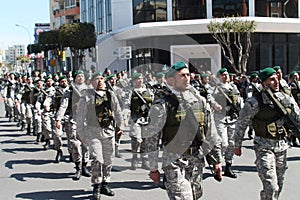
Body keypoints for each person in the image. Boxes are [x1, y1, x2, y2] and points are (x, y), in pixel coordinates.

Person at [147, 62, 222, 199]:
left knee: (195, 195)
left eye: (188, 75)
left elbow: (211, 132)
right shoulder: (162, 105)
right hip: (174, 159)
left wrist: (216, 160)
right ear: (171, 80)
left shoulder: (200, 101)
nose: (187, 78)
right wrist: (153, 168)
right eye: (182, 76)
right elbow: (152, 138)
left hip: (196, 159)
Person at [234, 67, 300, 200]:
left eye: (277, 78)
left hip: (282, 146)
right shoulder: (254, 103)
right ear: (264, 83)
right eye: (272, 79)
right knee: (271, 186)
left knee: (279, 186)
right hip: (263, 146)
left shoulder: (285, 98)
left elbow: (297, 116)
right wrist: (237, 145)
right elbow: (241, 123)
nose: (276, 82)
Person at [76, 72, 124, 200]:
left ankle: (105, 183)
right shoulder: (86, 97)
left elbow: (117, 111)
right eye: (97, 79)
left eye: (102, 79)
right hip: (93, 132)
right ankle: (96, 185)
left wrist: (120, 127)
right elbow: (79, 117)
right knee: (97, 159)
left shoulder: (110, 94)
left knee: (108, 160)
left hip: (108, 131)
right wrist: (80, 134)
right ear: (92, 82)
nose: (100, 81)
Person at [56, 70, 91, 180]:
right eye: (78, 76)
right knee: (75, 144)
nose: (80, 78)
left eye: (82, 76)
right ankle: (78, 167)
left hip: (87, 121)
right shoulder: (70, 91)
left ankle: (84, 166)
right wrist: (58, 119)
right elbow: (63, 105)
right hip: (74, 120)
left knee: (86, 145)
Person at [212, 67, 243, 178]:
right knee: (223, 143)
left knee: (231, 144)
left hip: (232, 118)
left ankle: (228, 166)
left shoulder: (233, 87)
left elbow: (239, 99)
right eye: (223, 75)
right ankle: (217, 164)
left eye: (226, 74)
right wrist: (215, 105)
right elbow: (209, 98)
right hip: (220, 118)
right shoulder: (216, 88)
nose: (225, 76)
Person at [129, 72, 154, 170]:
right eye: (137, 79)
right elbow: (127, 105)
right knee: (136, 140)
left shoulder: (149, 91)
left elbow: (154, 103)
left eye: (141, 78)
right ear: (134, 81)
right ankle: (134, 158)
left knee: (145, 140)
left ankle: (144, 160)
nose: (140, 81)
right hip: (136, 119)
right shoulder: (132, 92)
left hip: (147, 119)